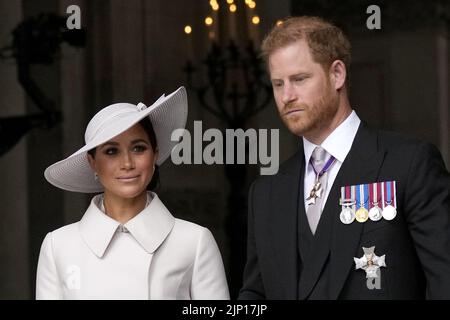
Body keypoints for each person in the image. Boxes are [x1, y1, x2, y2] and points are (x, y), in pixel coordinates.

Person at [239, 16, 450, 299]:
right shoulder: (265, 194)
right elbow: (255, 295)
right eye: (278, 84)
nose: (286, 95)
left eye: (299, 79)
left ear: (337, 74)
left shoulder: (409, 165)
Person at [36, 87, 230, 299]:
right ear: (93, 163)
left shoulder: (194, 241)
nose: (127, 163)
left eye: (138, 148)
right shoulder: (59, 246)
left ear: (154, 154)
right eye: (111, 151)